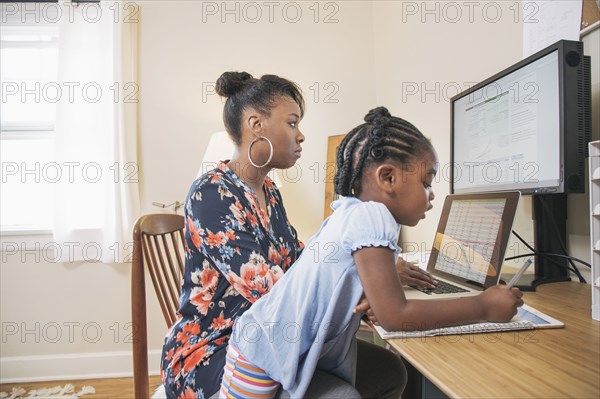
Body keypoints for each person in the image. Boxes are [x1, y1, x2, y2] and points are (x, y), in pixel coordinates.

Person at [219, 106, 524, 399]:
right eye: (426, 182)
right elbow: (395, 317)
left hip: (265, 347)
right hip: (258, 360)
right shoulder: (373, 218)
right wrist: (485, 307)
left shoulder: (351, 211)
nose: (431, 196)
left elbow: (351, 281)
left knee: (390, 370)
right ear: (387, 178)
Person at [159, 73, 424, 399]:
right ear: (256, 125)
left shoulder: (270, 192)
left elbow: (302, 260)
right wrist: (365, 283)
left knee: (389, 370)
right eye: (292, 123)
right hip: (217, 348)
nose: (301, 136)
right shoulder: (211, 193)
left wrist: (375, 271)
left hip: (275, 336)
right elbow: (272, 289)